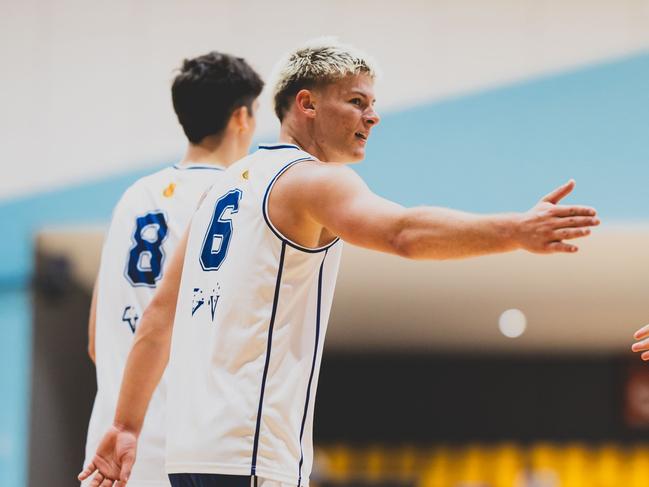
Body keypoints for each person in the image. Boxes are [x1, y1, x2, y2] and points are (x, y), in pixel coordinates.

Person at [80, 39, 599, 487]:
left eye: (373, 104)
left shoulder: (219, 188)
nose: (372, 116)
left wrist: (125, 426)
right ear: (306, 104)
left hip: (188, 456)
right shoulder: (311, 180)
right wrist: (515, 230)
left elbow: (157, 321)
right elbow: (403, 233)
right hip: (251, 454)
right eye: (356, 102)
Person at [81, 51, 263, 487]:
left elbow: (95, 340)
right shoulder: (236, 199)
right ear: (241, 117)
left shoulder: (133, 197)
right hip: (187, 453)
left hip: (108, 452)